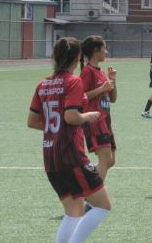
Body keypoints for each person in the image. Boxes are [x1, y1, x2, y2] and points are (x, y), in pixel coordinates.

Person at [27, 37, 111, 243]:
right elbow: (71, 116)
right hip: (71, 156)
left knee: (74, 211)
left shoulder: (43, 84)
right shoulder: (73, 82)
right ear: (77, 58)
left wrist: (56, 129)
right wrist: (87, 117)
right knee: (103, 206)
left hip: (51, 157)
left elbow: (32, 121)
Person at [80, 36, 117, 180]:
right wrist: (101, 89)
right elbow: (80, 96)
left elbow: (112, 99)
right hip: (95, 120)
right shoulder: (88, 71)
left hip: (106, 120)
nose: (106, 52)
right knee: (105, 159)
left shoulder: (101, 72)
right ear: (96, 51)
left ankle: (86, 184)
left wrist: (113, 80)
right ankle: (94, 196)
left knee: (111, 160)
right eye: (104, 49)